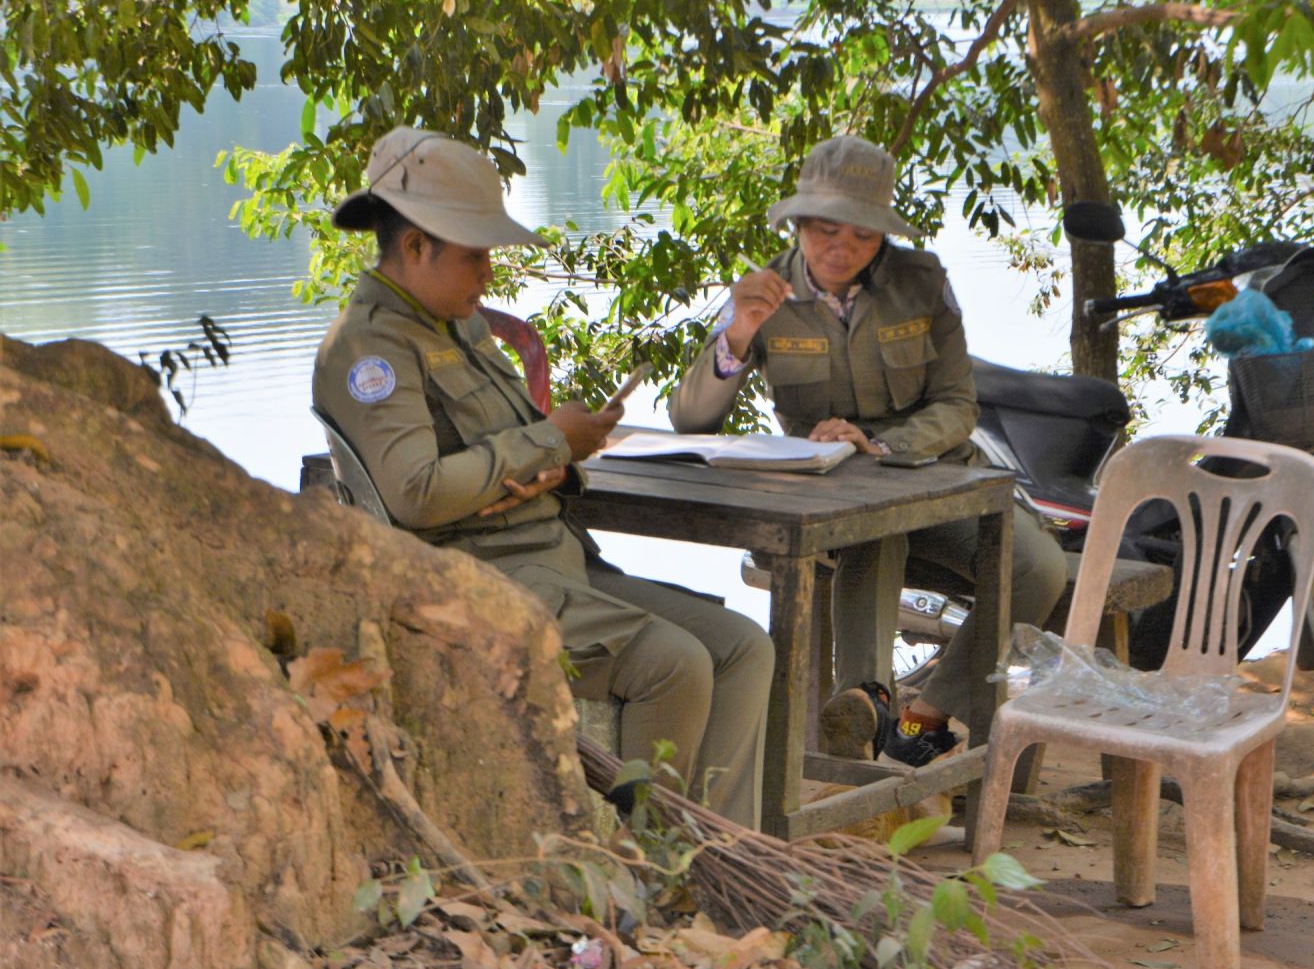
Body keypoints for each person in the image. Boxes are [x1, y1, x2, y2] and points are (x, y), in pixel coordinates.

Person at [313, 127, 772, 826]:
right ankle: (649, 868)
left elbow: (499, 453)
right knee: (673, 665)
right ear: (413, 247)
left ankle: (721, 852)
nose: (489, 274)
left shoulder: (454, 324)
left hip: (555, 565)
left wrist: (557, 453)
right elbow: (415, 492)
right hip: (476, 583)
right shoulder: (369, 346)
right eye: (475, 257)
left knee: (743, 645)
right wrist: (546, 439)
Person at [669, 134, 1067, 768]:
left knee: (1040, 567)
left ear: (882, 235)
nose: (841, 248)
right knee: (874, 540)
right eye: (826, 230)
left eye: (861, 235)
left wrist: (880, 443)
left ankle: (924, 715)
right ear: (798, 223)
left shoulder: (924, 283)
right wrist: (738, 334)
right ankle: (864, 713)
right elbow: (689, 421)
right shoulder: (762, 294)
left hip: (934, 478)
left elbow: (958, 406)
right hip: (833, 496)